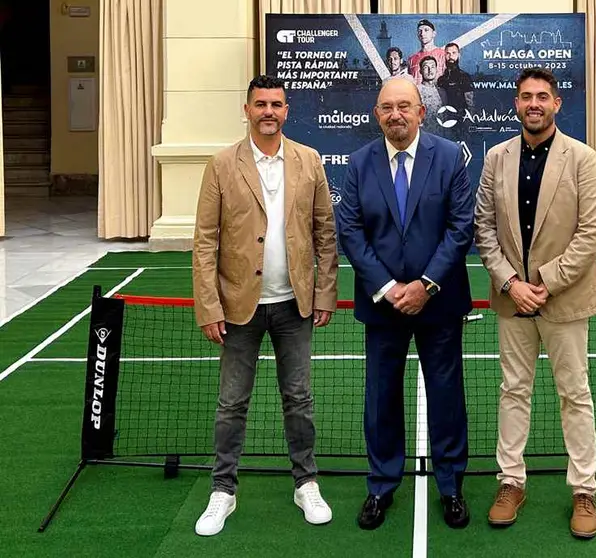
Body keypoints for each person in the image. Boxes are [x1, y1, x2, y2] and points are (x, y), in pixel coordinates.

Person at [191, 75, 339, 536]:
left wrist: (324, 292)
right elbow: (204, 242)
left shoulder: (309, 161)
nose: (268, 111)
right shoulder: (221, 164)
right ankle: (223, 491)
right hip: (239, 307)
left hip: (294, 304)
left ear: (287, 110)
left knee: (299, 398)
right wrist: (210, 306)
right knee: (232, 403)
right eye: (261, 104)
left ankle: (306, 482)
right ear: (247, 109)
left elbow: (325, 234)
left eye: (276, 104)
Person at [473, 67, 596, 539]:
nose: (534, 103)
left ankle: (583, 490)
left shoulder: (583, 159)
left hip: (564, 301)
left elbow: (592, 234)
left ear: (556, 104)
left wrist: (544, 284)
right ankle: (511, 482)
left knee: (575, 395)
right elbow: (484, 228)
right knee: (514, 392)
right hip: (513, 302)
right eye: (526, 96)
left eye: (542, 97)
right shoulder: (496, 158)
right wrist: (512, 283)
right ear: (516, 103)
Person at [337, 77, 474, 530]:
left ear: (421, 111)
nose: (396, 114)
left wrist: (425, 285)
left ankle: (451, 485)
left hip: (438, 303)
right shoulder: (358, 164)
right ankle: (380, 485)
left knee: (446, 397)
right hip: (382, 306)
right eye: (386, 107)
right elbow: (352, 232)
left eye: (404, 106)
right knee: (381, 398)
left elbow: (460, 227)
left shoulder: (451, 158)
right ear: (377, 114)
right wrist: (388, 288)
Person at [407, 19, 446, 83]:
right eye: (420, 31)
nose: (422, 34)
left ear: (434, 34)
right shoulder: (412, 59)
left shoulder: (443, 55)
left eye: (426, 30)